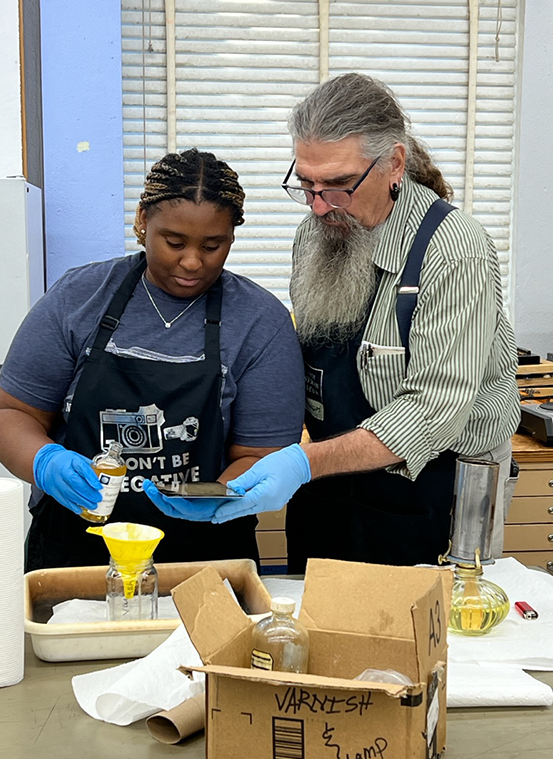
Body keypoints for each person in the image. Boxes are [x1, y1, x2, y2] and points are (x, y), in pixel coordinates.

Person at [146, 73, 521, 570]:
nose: (320, 206)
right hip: (329, 483)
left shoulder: (453, 250)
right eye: (306, 185)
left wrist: (304, 462)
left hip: (433, 489)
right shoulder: (314, 236)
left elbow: (435, 409)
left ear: (394, 163)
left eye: (340, 186)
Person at [0, 148, 304, 569]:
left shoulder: (261, 322)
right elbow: (9, 413)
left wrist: (213, 500)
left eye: (213, 245)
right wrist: (45, 462)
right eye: (174, 242)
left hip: (204, 557)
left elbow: (261, 455)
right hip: (76, 549)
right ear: (142, 221)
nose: (192, 262)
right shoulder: (79, 298)